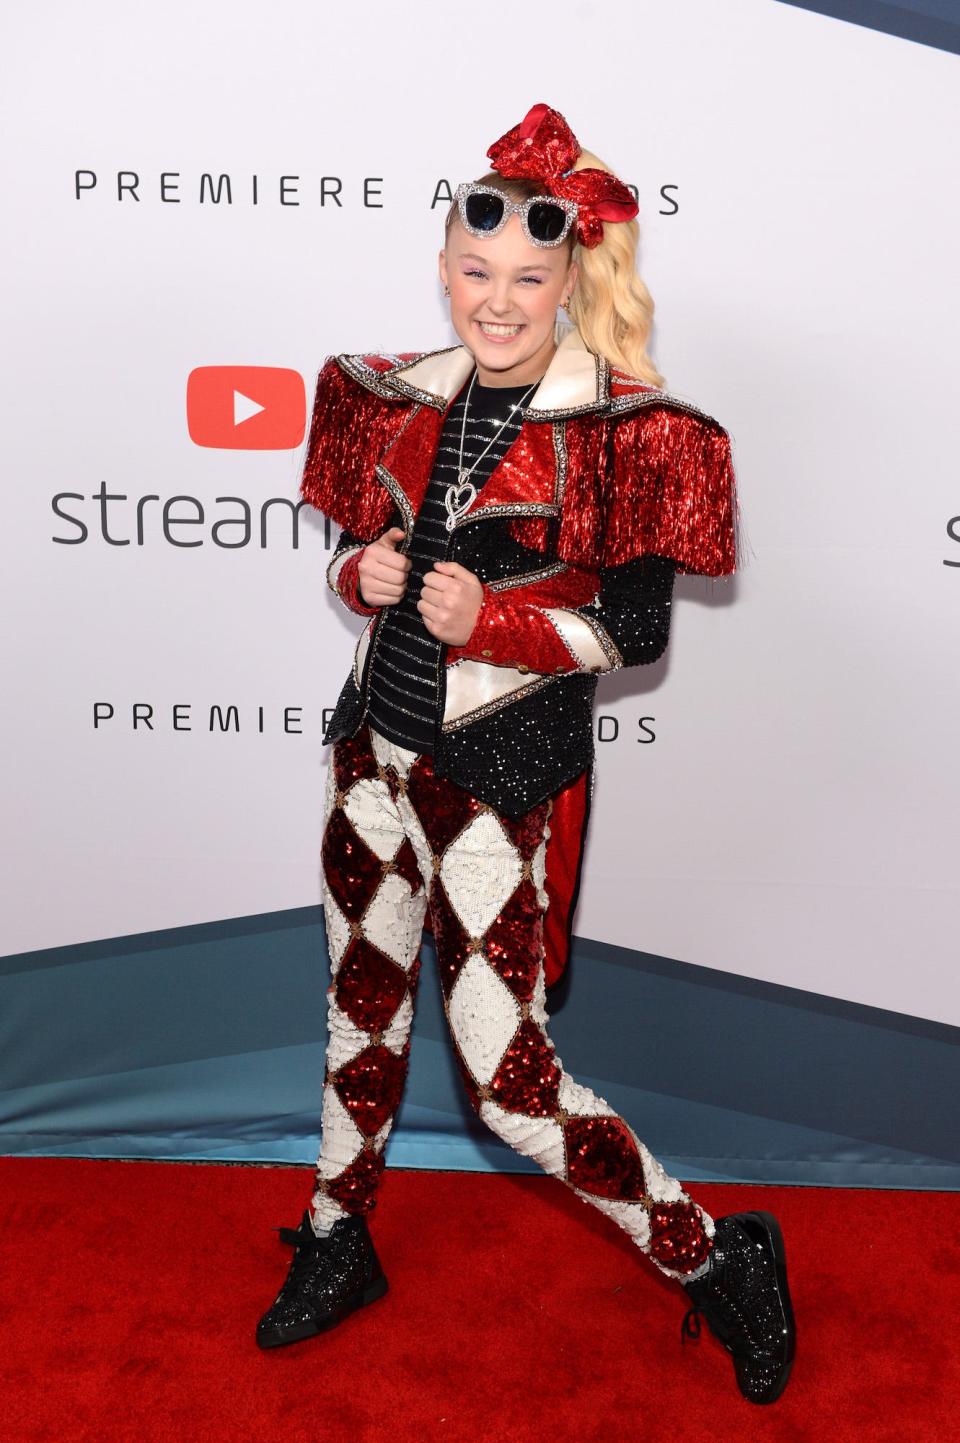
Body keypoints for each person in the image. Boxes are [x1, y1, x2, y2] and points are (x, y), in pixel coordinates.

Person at [257, 102, 796, 1405]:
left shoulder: (636, 432)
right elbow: (355, 560)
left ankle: (720, 1257)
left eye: (528, 278)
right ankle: (340, 1238)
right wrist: (362, 568)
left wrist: (489, 616)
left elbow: (642, 628)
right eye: (477, 271)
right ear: (447, 267)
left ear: (570, 279)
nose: (498, 301)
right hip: (366, 760)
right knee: (358, 1015)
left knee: (507, 1084)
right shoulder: (384, 394)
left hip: (497, 781)